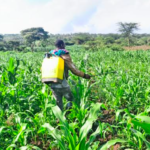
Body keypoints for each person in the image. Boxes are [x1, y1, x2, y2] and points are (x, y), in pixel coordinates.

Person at [49, 40, 91, 111]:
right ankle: (69, 113)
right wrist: (85, 75)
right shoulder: (64, 54)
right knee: (70, 98)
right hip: (62, 82)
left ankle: (60, 118)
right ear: (62, 44)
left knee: (58, 101)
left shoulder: (50, 54)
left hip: (52, 82)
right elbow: (74, 70)